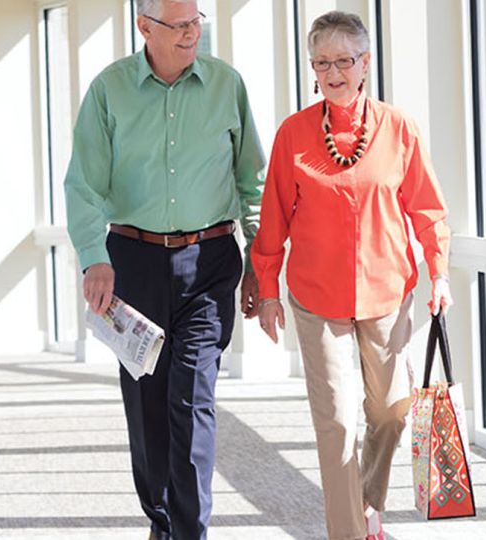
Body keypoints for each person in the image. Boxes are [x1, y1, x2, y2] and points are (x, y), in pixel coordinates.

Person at [62, 0, 263, 538]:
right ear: (145, 27)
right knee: (148, 405)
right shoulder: (110, 90)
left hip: (211, 261)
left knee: (192, 395)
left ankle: (190, 529)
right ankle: (162, 518)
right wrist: (94, 258)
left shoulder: (227, 86)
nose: (193, 32)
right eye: (180, 25)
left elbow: (253, 182)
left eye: (198, 21)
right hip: (134, 263)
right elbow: (83, 184)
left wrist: (261, 263)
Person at [251, 11, 453, 540]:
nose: (333, 72)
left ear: (366, 63)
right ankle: (349, 532)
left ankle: (367, 503)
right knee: (338, 421)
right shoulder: (293, 135)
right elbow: (273, 218)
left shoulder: (398, 128)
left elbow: (427, 209)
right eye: (322, 62)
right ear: (312, 69)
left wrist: (441, 274)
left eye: (344, 60)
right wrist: (267, 291)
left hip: (387, 292)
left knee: (389, 411)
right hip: (317, 298)